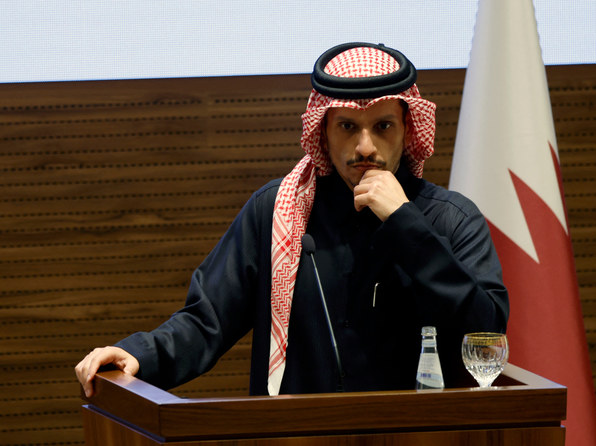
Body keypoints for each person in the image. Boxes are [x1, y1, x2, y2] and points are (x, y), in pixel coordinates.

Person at [75, 42, 509, 397]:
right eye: (347, 127)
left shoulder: (450, 219)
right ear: (323, 132)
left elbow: (487, 333)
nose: (365, 147)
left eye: (382, 126)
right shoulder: (277, 211)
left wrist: (405, 224)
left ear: (408, 129)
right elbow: (207, 321)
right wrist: (140, 354)